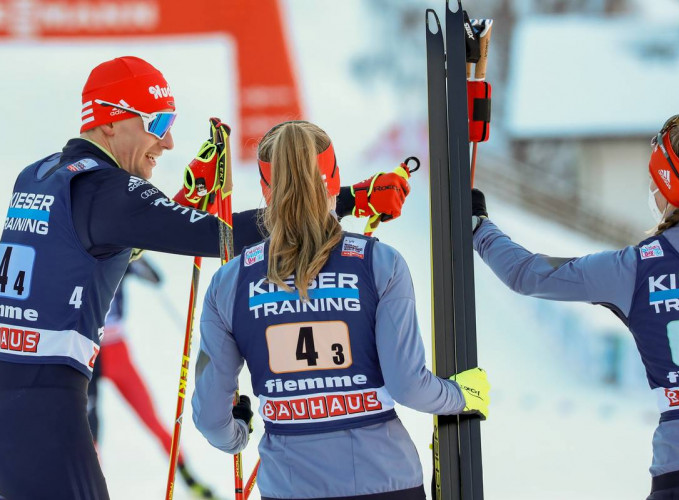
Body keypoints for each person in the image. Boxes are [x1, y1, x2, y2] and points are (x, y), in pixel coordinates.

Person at [0, 56, 412, 499]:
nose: (169, 141)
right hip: (43, 402)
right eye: (158, 122)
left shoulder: (40, 175)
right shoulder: (107, 191)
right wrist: (341, 199)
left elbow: (110, 240)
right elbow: (219, 236)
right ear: (111, 121)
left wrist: (184, 200)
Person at [191, 120, 491, 499]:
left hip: (289, 486)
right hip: (387, 481)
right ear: (334, 181)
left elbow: (210, 417)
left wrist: (237, 435)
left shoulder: (231, 281)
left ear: (266, 190)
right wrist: (463, 395)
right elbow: (409, 385)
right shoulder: (380, 263)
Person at [472, 114, 679, 499]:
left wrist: (479, 227)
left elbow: (528, 274)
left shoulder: (635, 267)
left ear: (667, 187)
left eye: (653, 181)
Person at [87, 256, 215, 498]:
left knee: (150, 415)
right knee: (88, 425)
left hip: (116, 349)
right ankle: (92, 490)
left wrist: (133, 254)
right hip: (87, 350)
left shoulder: (118, 253)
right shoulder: (81, 252)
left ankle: (188, 478)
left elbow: (155, 278)